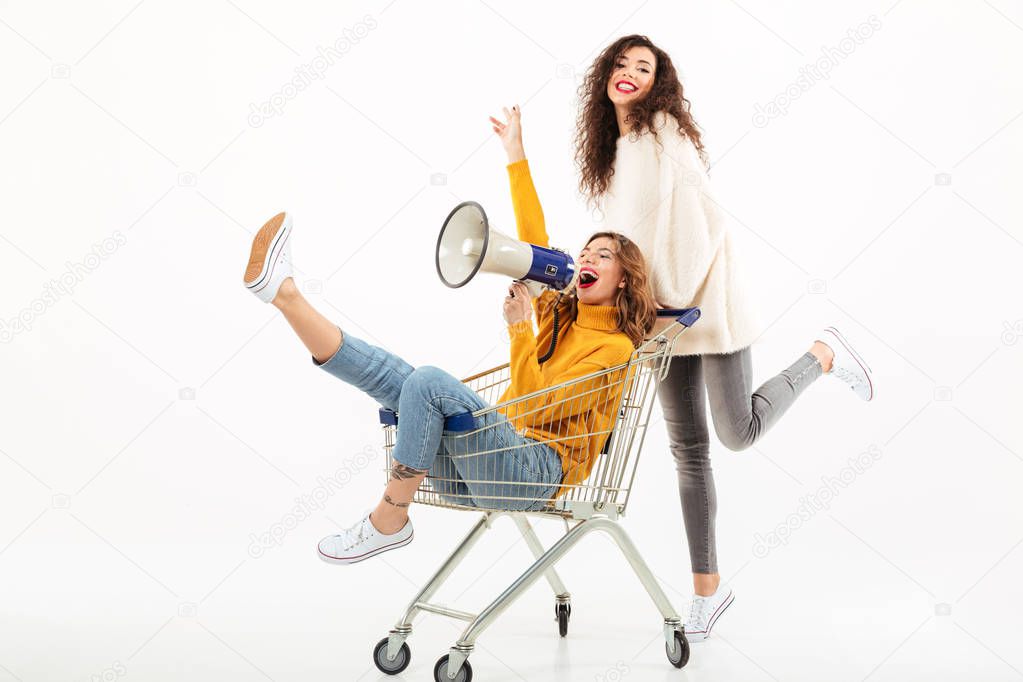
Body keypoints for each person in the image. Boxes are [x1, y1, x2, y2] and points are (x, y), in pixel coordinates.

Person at [240, 111, 657, 565]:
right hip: (486, 465)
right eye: (585, 250)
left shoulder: (615, 350)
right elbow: (535, 243)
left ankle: (390, 516)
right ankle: (284, 295)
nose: (587, 256)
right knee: (398, 378)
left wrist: (520, 330)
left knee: (428, 382)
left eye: (603, 254)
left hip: (533, 473)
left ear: (622, 279)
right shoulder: (560, 313)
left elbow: (542, 403)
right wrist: (516, 153)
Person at [573, 34, 875, 640]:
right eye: (621, 64)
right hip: (657, 321)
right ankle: (707, 593)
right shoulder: (610, 153)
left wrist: (675, 299)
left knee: (737, 433)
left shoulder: (662, 131)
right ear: (605, 75)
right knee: (689, 454)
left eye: (643, 67)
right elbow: (620, 242)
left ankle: (822, 354)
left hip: (704, 305)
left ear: (656, 84)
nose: (629, 74)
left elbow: (701, 219)